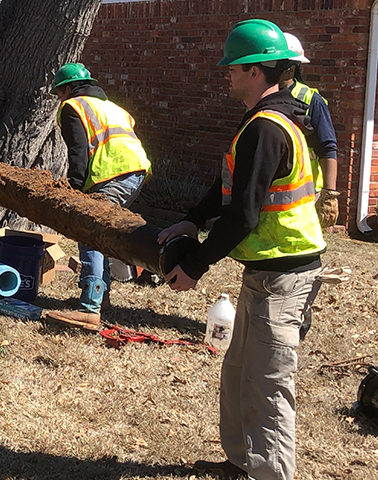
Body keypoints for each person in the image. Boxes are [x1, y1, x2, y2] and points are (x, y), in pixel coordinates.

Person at [157, 19, 326, 480]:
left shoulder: (268, 127)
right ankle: (239, 463)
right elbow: (231, 185)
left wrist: (195, 265)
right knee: (237, 372)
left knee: (267, 384)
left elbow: (244, 215)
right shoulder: (263, 120)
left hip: (285, 275)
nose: (226, 74)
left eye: (233, 67)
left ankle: (269, 473)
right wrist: (192, 217)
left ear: (256, 70)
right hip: (265, 272)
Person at [46, 63, 151, 328]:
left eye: (60, 93)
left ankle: (90, 308)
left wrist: (74, 187)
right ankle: (101, 298)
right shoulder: (113, 108)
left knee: (89, 230)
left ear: (67, 89)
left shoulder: (73, 107)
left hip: (111, 173)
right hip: (136, 172)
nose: (60, 98)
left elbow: (78, 150)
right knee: (101, 233)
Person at [280, 32, 339, 228]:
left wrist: (329, 195)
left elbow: (327, 147)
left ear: (292, 67)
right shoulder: (259, 97)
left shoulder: (310, 100)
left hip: (303, 192)